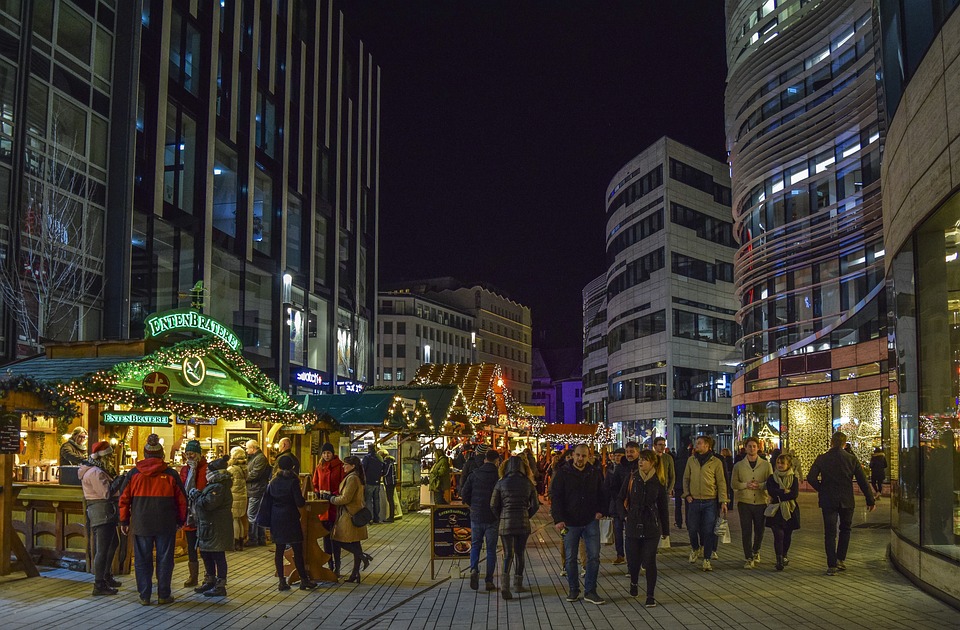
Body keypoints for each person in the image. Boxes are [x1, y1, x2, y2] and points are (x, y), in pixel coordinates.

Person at [118, 433, 187, 606]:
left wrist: (124, 521)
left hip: (142, 523)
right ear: (161, 454)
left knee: (142, 560)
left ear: (145, 454)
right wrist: (180, 520)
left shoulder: (134, 474)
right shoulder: (170, 474)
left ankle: (144, 595)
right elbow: (182, 500)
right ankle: (164, 594)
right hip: (166, 523)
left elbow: (124, 499)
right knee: (165, 559)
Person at [806, 431, 876, 575]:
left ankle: (831, 564)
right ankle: (840, 560)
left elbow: (811, 478)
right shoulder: (851, 459)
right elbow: (863, 481)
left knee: (830, 533)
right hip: (846, 499)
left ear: (831, 442)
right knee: (845, 529)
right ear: (845, 444)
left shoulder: (822, 458)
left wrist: (822, 489)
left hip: (828, 500)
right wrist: (870, 499)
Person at [551, 443, 606, 605]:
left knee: (594, 557)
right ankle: (574, 589)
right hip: (570, 522)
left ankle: (590, 590)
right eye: (578, 455)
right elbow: (556, 497)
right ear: (572, 455)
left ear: (588, 456)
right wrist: (558, 518)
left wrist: (600, 511)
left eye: (584, 455)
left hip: (590, 520)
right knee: (570, 558)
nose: (580, 458)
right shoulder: (563, 473)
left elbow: (602, 493)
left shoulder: (594, 473)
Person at [258, 454, 317, 591]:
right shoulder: (293, 481)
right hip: (290, 517)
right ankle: (303, 579)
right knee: (297, 549)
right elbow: (299, 502)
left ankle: (282, 581)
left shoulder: (273, 482)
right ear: (292, 467)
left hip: (276, 518)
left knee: (279, 550)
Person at [619, 449, 670, 608]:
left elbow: (663, 507)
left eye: (645, 460)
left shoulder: (659, 481)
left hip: (651, 525)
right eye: (640, 459)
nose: (641, 462)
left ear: (652, 462)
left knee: (649, 560)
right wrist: (625, 516)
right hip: (633, 523)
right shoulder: (632, 478)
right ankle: (634, 582)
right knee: (633, 561)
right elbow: (620, 498)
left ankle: (650, 595)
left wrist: (666, 532)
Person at [491, 454, 539, 600]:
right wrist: (527, 514)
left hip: (506, 522)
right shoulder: (528, 483)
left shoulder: (501, 483)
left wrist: (501, 516)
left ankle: (505, 586)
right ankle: (518, 584)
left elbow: (493, 504)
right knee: (520, 553)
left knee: (508, 554)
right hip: (522, 522)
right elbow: (536, 505)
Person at [78, 440, 122, 596]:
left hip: (104, 511)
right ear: (102, 456)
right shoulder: (95, 472)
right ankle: (99, 583)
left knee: (113, 543)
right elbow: (105, 493)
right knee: (102, 548)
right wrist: (119, 481)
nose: (111, 459)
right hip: (101, 510)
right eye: (109, 456)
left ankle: (106, 576)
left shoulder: (98, 469)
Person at [682, 435, 728, 572]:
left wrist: (723, 501)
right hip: (694, 500)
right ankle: (695, 548)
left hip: (710, 501)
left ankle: (707, 559)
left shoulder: (716, 462)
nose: (697, 445)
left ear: (707, 446)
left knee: (708, 531)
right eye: (697, 443)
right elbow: (686, 478)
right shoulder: (691, 460)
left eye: (700, 443)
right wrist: (687, 494)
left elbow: (721, 482)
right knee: (692, 528)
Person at [190, 456, 233, 597]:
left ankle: (220, 585)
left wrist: (197, 495)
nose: (206, 472)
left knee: (217, 555)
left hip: (216, 527)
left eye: (208, 470)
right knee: (206, 554)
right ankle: (210, 580)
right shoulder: (215, 485)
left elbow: (208, 504)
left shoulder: (219, 487)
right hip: (209, 526)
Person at [461, 448, 501, 592]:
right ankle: (489, 580)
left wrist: (472, 506)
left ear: (484, 460)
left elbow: (464, 493)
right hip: (492, 517)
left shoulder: (474, 474)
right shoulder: (498, 477)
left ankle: (473, 569)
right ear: (497, 461)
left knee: (475, 544)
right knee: (491, 549)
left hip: (476, 515)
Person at [731, 436, 773, 569]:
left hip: (761, 501)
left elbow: (771, 483)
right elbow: (734, 483)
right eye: (749, 446)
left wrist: (760, 486)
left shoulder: (766, 465)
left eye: (754, 446)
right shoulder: (738, 465)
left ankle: (756, 550)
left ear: (758, 448)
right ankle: (748, 556)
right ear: (745, 448)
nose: (752, 448)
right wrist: (745, 485)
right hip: (745, 501)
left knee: (760, 529)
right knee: (746, 530)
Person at [331, 455, 372, 584]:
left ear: (353, 466)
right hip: (355, 513)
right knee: (355, 543)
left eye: (345, 464)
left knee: (337, 540)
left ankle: (363, 557)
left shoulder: (352, 478)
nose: (343, 466)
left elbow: (345, 499)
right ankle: (355, 573)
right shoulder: (355, 476)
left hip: (349, 516)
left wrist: (331, 499)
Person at [312, 442, 346, 575]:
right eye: (324, 453)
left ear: (333, 453)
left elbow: (343, 484)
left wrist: (335, 494)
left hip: (335, 506)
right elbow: (315, 483)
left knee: (335, 537)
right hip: (323, 507)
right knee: (326, 538)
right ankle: (330, 565)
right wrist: (317, 492)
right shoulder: (319, 467)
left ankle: (337, 565)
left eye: (328, 453)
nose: (326, 455)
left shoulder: (340, 466)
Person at [179, 439, 208, 587]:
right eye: (187, 454)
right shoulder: (185, 470)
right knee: (191, 546)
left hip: (203, 513)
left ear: (198, 454)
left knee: (205, 547)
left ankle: (208, 575)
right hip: (189, 514)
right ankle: (193, 576)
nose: (189, 457)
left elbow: (202, 488)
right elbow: (182, 489)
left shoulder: (206, 469)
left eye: (192, 453)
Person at [766, 453, 800, 571]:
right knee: (778, 535)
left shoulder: (793, 478)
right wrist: (783, 492)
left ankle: (784, 554)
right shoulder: (772, 478)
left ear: (788, 465)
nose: (780, 465)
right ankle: (779, 559)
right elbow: (771, 491)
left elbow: (794, 494)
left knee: (787, 535)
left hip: (790, 510)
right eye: (778, 463)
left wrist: (780, 494)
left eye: (783, 463)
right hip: (776, 511)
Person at [605, 443, 637, 565]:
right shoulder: (615, 469)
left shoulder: (635, 467)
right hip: (617, 505)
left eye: (619, 455)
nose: (617, 457)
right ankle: (620, 554)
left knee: (630, 534)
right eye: (615, 455)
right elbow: (610, 487)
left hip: (632, 505)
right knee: (618, 531)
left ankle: (632, 560)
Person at [245, 440, 270, 547]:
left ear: (253, 448)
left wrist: (243, 477)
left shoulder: (260, 458)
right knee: (257, 514)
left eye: (247, 448)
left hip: (256, 490)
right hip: (254, 489)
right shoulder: (255, 458)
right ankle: (261, 538)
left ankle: (253, 539)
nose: (246, 450)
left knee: (252, 515)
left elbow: (255, 474)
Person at [227, 446, 248, 550]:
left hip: (234, 496)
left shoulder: (231, 469)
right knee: (240, 519)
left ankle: (235, 543)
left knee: (234, 519)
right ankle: (241, 542)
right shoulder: (245, 468)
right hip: (243, 496)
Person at [361, 445, 385, 523]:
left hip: (369, 481)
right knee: (376, 500)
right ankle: (376, 518)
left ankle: (369, 518)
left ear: (368, 449)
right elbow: (383, 469)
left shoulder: (367, 458)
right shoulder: (379, 458)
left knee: (368, 500)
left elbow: (363, 468)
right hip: (377, 482)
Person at [673, 444, 690, 528]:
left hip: (677, 486)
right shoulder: (689, 462)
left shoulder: (676, 463)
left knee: (678, 505)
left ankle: (678, 522)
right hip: (687, 486)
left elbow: (673, 475)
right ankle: (688, 522)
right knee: (688, 506)